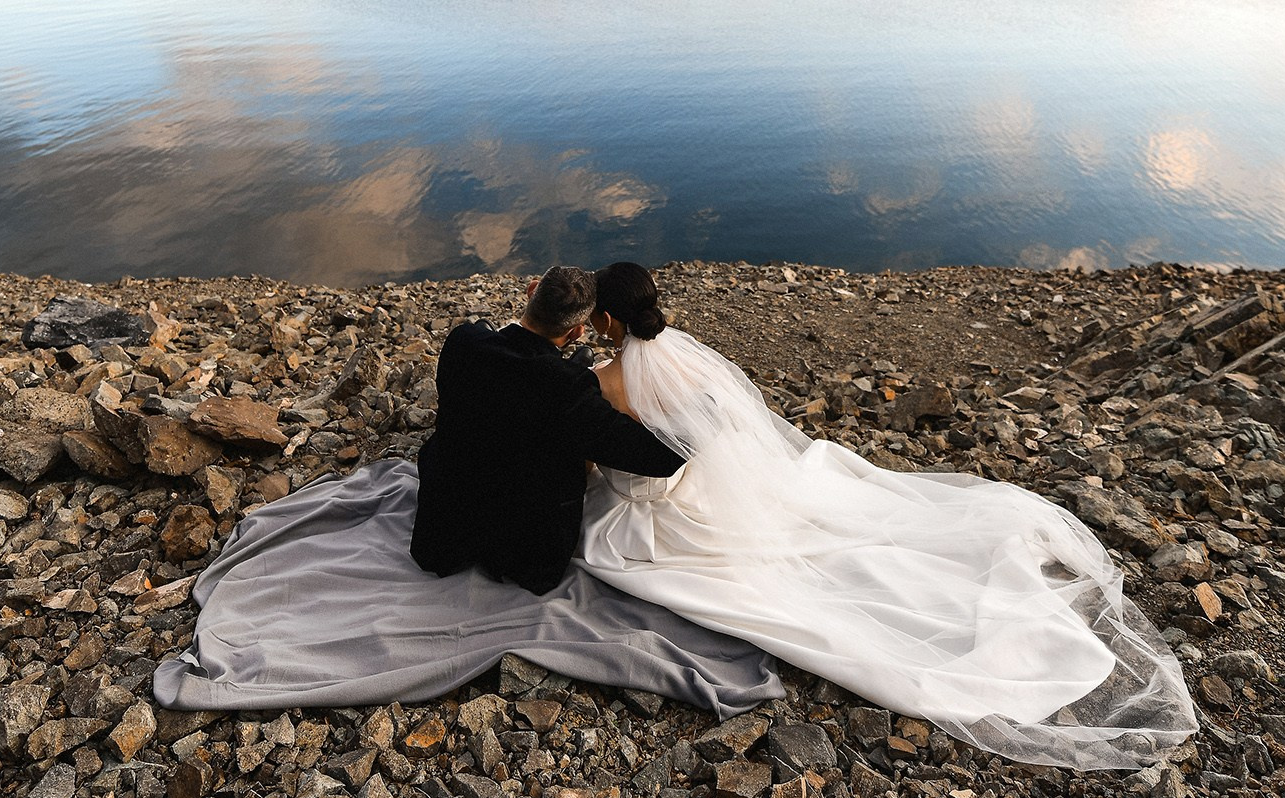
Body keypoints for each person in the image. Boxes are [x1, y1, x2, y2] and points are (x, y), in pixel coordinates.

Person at [576, 263, 1195, 770]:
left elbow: (596, 457)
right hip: (710, 490)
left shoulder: (603, 383)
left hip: (660, 514)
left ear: (604, 320)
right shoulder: (686, 358)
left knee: (605, 547)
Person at [410, 265, 687, 595]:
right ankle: (570, 360)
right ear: (577, 332)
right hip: (526, 552)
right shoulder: (570, 389)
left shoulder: (463, 341)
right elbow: (655, 458)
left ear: (531, 291)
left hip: (443, 530)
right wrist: (709, 412)